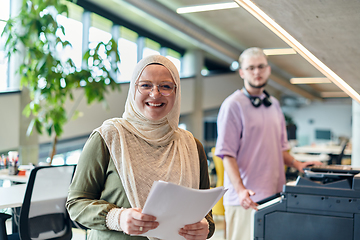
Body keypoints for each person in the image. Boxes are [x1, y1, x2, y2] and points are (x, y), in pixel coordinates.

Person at [66, 55, 215, 240]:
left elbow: (206, 215)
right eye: (145, 85)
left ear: (176, 92)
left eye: (166, 86)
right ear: (133, 90)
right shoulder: (108, 137)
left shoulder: (191, 146)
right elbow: (76, 203)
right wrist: (117, 218)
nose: (155, 93)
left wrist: (205, 227)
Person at [214, 47, 321, 240]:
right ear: (242, 72)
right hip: (245, 199)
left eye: (261, 66)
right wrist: (240, 191)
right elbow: (226, 154)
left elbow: (280, 148)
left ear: (268, 69)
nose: (257, 72)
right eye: (251, 68)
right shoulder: (232, 105)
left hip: (274, 195)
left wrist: (297, 164)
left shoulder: (274, 104)